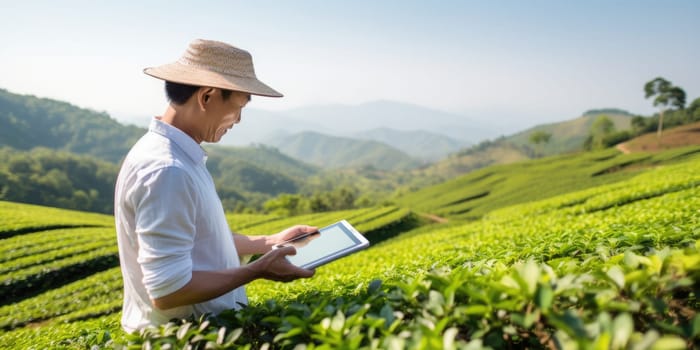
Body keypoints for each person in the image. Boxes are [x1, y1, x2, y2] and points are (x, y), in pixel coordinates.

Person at [114, 39, 316, 333]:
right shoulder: (168, 170)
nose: (238, 121)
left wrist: (269, 242)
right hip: (188, 337)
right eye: (238, 107)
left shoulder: (179, 158)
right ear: (207, 97)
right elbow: (168, 291)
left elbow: (197, 240)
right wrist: (256, 271)